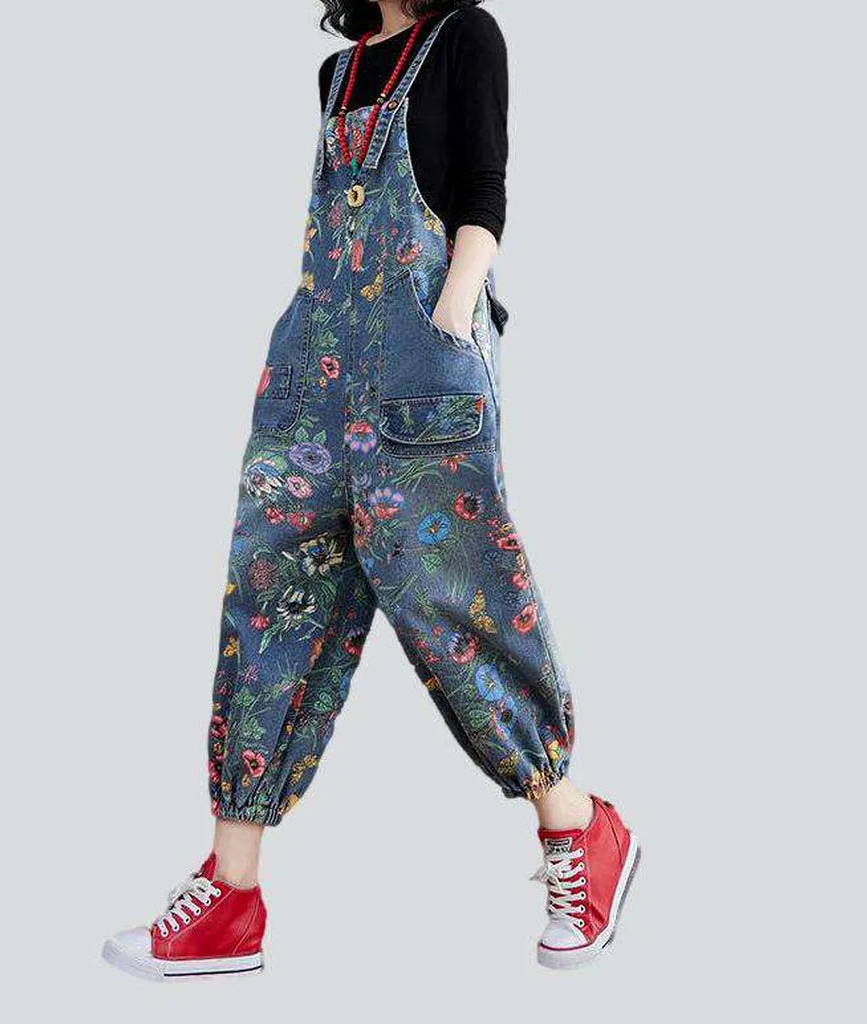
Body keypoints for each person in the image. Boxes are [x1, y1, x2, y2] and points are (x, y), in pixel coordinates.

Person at [102, 0, 638, 979]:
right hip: (311, 379)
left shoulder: (465, 36)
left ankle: (577, 825)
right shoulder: (338, 75)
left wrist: (450, 314)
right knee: (269, 603)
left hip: (420, 369)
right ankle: (232, 892)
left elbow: (481, 191)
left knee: (453, 598)